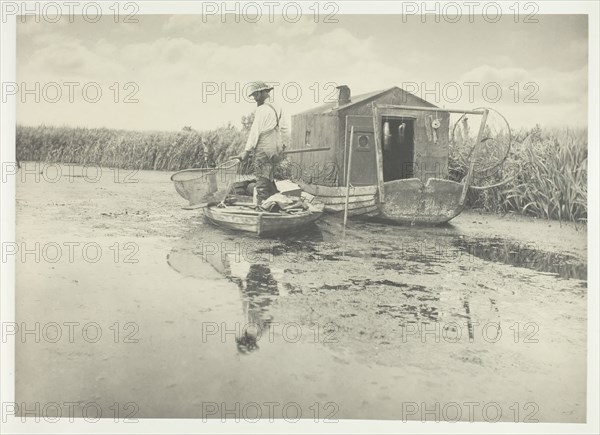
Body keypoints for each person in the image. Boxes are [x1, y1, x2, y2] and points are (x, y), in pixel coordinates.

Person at [236, 81, 288, 205]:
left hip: (264, 150)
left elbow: (255, 132)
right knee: (269, 179)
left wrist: (246, 151)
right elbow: (284, 128)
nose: (254, 99)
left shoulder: (262, 110)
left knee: (262, 183)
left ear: (262, 92)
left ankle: (262, 211)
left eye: (255, 95)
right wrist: (283, 147)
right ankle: (276, 205)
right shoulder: (278, 107)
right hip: (275, 149)